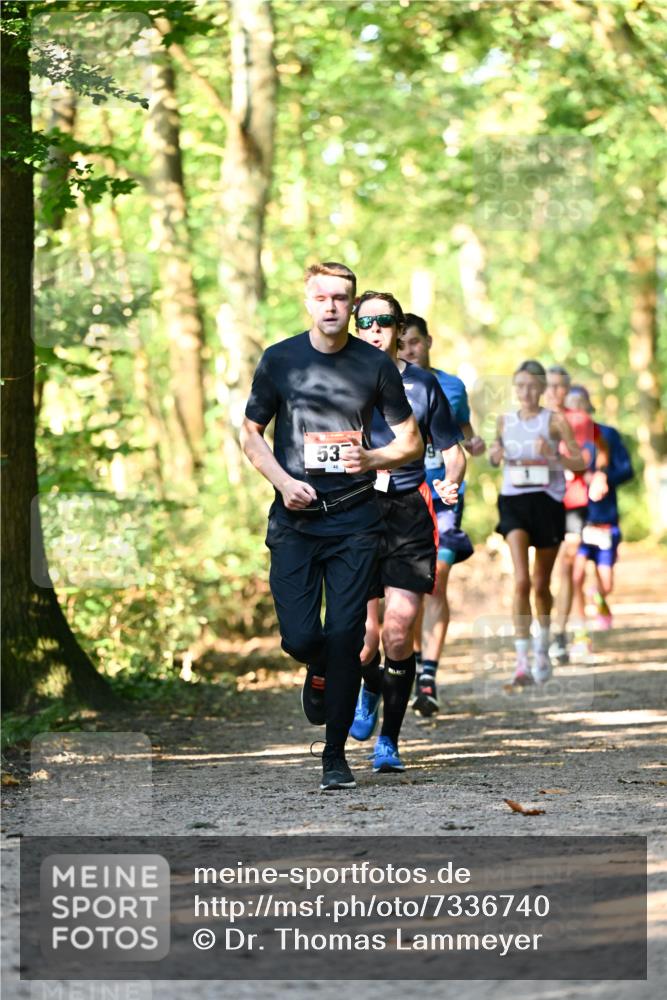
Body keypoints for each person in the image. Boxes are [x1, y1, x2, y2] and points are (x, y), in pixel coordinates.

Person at [240, 262, 423, 792]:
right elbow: (252, 434)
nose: (331, 306)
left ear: (351, 303)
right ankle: (316, 666)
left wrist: (372, 460)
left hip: (356, 518)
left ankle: (335, 756)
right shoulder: (280, 360)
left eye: (341, 298)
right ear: (307, 300)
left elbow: (410, 441)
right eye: (321, 297)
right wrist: (280, 481)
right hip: (295, 521)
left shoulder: (374, 364)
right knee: (301, 637)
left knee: (346, 636)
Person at [349, 291, 466, 771]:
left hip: (407, 511)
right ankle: (369, 686)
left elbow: (453, 452)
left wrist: (451, 485)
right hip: (352, 510)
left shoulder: (423, 385)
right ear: (356, 328)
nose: (375, 329)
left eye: (385, 321)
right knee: (362, 639)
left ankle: (388, 743)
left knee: (399, 629)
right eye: (367, 321)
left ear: (399, 329)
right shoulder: (335, 381)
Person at [398, 313, 486, 716]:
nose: (407, 350)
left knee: (438, 578)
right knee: (408, 589)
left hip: (445, 494)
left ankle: (428, 677)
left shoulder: (451, 386)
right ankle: (409, 662)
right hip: (404, 496)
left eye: (413, 342)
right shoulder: (386, 384)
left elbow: (462, 430)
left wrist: (476, 443)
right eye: (401, 345)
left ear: (428, 342)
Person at [489, 360, 585, 686]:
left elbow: (581, 463)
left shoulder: (554, 421)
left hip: (547, 504)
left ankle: (542, 648)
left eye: (533, 386)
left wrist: (554, 455)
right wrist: (494, 453)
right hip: (514, 502)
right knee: (521, 581)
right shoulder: (504, 420)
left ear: (543, 389)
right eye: (521, 386)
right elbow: (492, 455)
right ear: (515, 388)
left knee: (541, 584)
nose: (527, 392)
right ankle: (520, 662)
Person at [544, 365, 609, 664]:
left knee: (569, 565)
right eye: (551, 385)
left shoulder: (580, 421)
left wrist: (599, 474)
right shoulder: (531, 421)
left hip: (574, 501)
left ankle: (559, 634)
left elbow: (596, 451)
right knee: (540, 575)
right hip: (539, 501)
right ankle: (544, 630)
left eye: (562, 387)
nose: (556, 392)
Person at [566, 385, 632, 646]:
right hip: (575, 517)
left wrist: (604, 478)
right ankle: (581, 630)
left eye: (580, 403)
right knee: (576, 574)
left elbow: (627, 469)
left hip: (604, 517)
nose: (576, 409)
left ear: (589, 406)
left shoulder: (608, 435)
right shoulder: (561, 440)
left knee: (606, 581)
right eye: (570, 405)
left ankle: (600, 595)